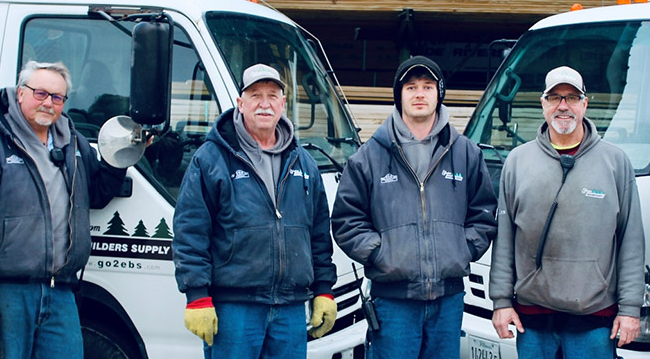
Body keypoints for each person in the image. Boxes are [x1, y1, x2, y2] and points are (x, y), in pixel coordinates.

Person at [0, 60, 127, 359]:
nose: (48, 103)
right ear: (20, 94)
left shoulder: (73, 142)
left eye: (57, 97)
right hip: (7, 291)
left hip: (60, 291)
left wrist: (122, 156)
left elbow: (97, 194)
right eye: (40, 93)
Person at [331, 56, 497, 359]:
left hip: (448, 300)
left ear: (439, 93)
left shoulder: (465, 153)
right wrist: (381, 253)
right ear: (399, 95)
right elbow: (346, 220)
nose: (419, 94)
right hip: (393, 301)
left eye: (427, 86)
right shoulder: (369, 156)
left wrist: (461, 248)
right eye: (411, 87)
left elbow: (484, 213)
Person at [172, 63, 337, 359]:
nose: (264, 104)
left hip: (289, 308)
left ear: (283, 104)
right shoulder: (211, 159)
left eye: (273, 95)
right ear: (240, 103)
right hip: (235, 308)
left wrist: (323, 289)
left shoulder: (303, 162)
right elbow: (190, 232)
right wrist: (197, 296)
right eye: (255, 95)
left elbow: (319, 234)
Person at [488, 66, 645, 359]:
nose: (564, 106)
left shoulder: (615, 163)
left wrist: (630, 309)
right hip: (532, 319)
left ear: (585, 104)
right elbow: (505, 239)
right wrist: (500, 301)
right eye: (555, 97)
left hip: (594, 318)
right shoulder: (518, 162)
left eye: (572, 97)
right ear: (543, 104)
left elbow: (631, 241)